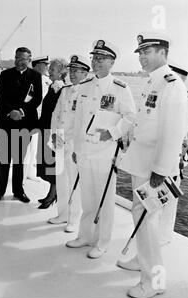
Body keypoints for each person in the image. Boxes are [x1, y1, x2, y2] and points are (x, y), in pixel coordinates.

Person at [117, 32, 188, 298]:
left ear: (162, 53)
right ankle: (141, 260)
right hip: (142, 162)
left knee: (147, 219)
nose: (142, 57)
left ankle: (154, 281)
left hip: (153, 169)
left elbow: (172, 133)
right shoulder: (152, 82)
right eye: (140, 53)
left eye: (147, 52)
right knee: (143, 218)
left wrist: (160, 170)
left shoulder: (171, 85)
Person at [117, 63, 188, 272]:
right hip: (160, 160)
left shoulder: (186, 99)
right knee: (154, 211)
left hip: (168, 161)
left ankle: (151, 257)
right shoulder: (164, 90)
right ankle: (149, 254)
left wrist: (162, 165)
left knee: (155, 212)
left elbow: (175, 134)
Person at [66, 40, 136, 259]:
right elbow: (78, 121)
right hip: (85, 151)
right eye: (94, 58)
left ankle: (102, 242)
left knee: (105, 200)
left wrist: (112, 133)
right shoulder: (85, 86)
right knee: (87, 198)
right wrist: (76, 149)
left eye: (101, 58)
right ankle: (85, 236)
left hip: (105, 152)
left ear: (112, 62)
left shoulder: (120, 88)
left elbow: (131, 117)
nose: (95, 62)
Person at [0, 47, 42, 202]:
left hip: (24, 122)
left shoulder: (35, 76)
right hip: (5, 122)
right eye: (17, 58)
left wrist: (20, 111)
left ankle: (18, 191)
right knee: (4, 159)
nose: (20, 61)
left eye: (23, 58)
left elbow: (37, 98)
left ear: (29, 59)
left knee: (19, 159)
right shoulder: (5, 74)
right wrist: (10, 111)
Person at [48, 55, 90, 233]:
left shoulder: (87, 92)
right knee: (61, 179)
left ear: (85, 73)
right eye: (71, 70)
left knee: (75, 182)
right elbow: (55, 114)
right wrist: (54, 136)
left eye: (76, 71)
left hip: (74, 143)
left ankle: (74, 219)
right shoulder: (65, 90)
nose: (72, 74)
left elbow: (84, 121)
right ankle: (62, 214)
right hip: (59, 140)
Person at [158, 64, 188, 245]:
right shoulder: (170, 96)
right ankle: (156, 233)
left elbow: (178, 131)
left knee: (168, 197)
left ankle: (164, 236)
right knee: (159, 196)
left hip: (173, 156)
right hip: (163, 153)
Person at [36, 58, 67, 210]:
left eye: (53, 70)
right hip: (46, 129)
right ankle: (52, 192)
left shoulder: (62, 89)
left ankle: (53, 195)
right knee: (47, 163)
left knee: (53, 164)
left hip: (55, 133)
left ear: (61, 72)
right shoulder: (52, 87)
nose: (49, 72)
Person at [24, 56, 51, 181]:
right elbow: (27, 100)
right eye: (45, 64)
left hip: (43, 119)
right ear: (37, 65)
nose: (47, 67)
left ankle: (30, 172)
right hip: (31, 118)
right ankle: (22, 177)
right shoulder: (29, 78)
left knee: (34, 148)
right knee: (27, 149)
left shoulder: (48, 81)